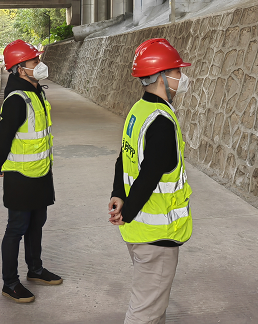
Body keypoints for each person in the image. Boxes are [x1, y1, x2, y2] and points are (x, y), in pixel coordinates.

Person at [108, 38, 193, 324]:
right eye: (177, 72)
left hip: (139, 232)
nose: (182, 78)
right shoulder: (161, 121)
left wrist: (119, 195)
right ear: (160, 77)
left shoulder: (138, 111)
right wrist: (127, 211)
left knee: (153, 306)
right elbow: (149, 175)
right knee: (144, 313)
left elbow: (123, 158)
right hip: (157, 235)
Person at [0, 40, 61, 304]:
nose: (40, 65)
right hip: (20, 176)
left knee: (36, 224)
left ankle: (36, 269)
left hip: (41, 173)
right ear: (21, 69)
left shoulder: (36, 93)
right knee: (16, 228)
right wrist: (2, 166)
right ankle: (10, 283)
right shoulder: (17, 99)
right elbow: (1, 140)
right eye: (35, 62)